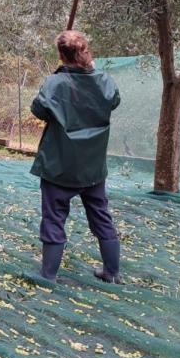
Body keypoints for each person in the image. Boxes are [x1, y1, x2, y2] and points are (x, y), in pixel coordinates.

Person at [29, 30, 121, 283]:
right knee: (101, 215)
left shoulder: (54, 83)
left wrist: (57, 78)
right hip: (92, 167)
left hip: (60, 165)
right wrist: (91, 72)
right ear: (86, 51)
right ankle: (112, 272)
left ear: (61, 54)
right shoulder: (104, 81)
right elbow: (113, 101)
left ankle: (48, 274)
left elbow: (38, 109)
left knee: (54, 218)